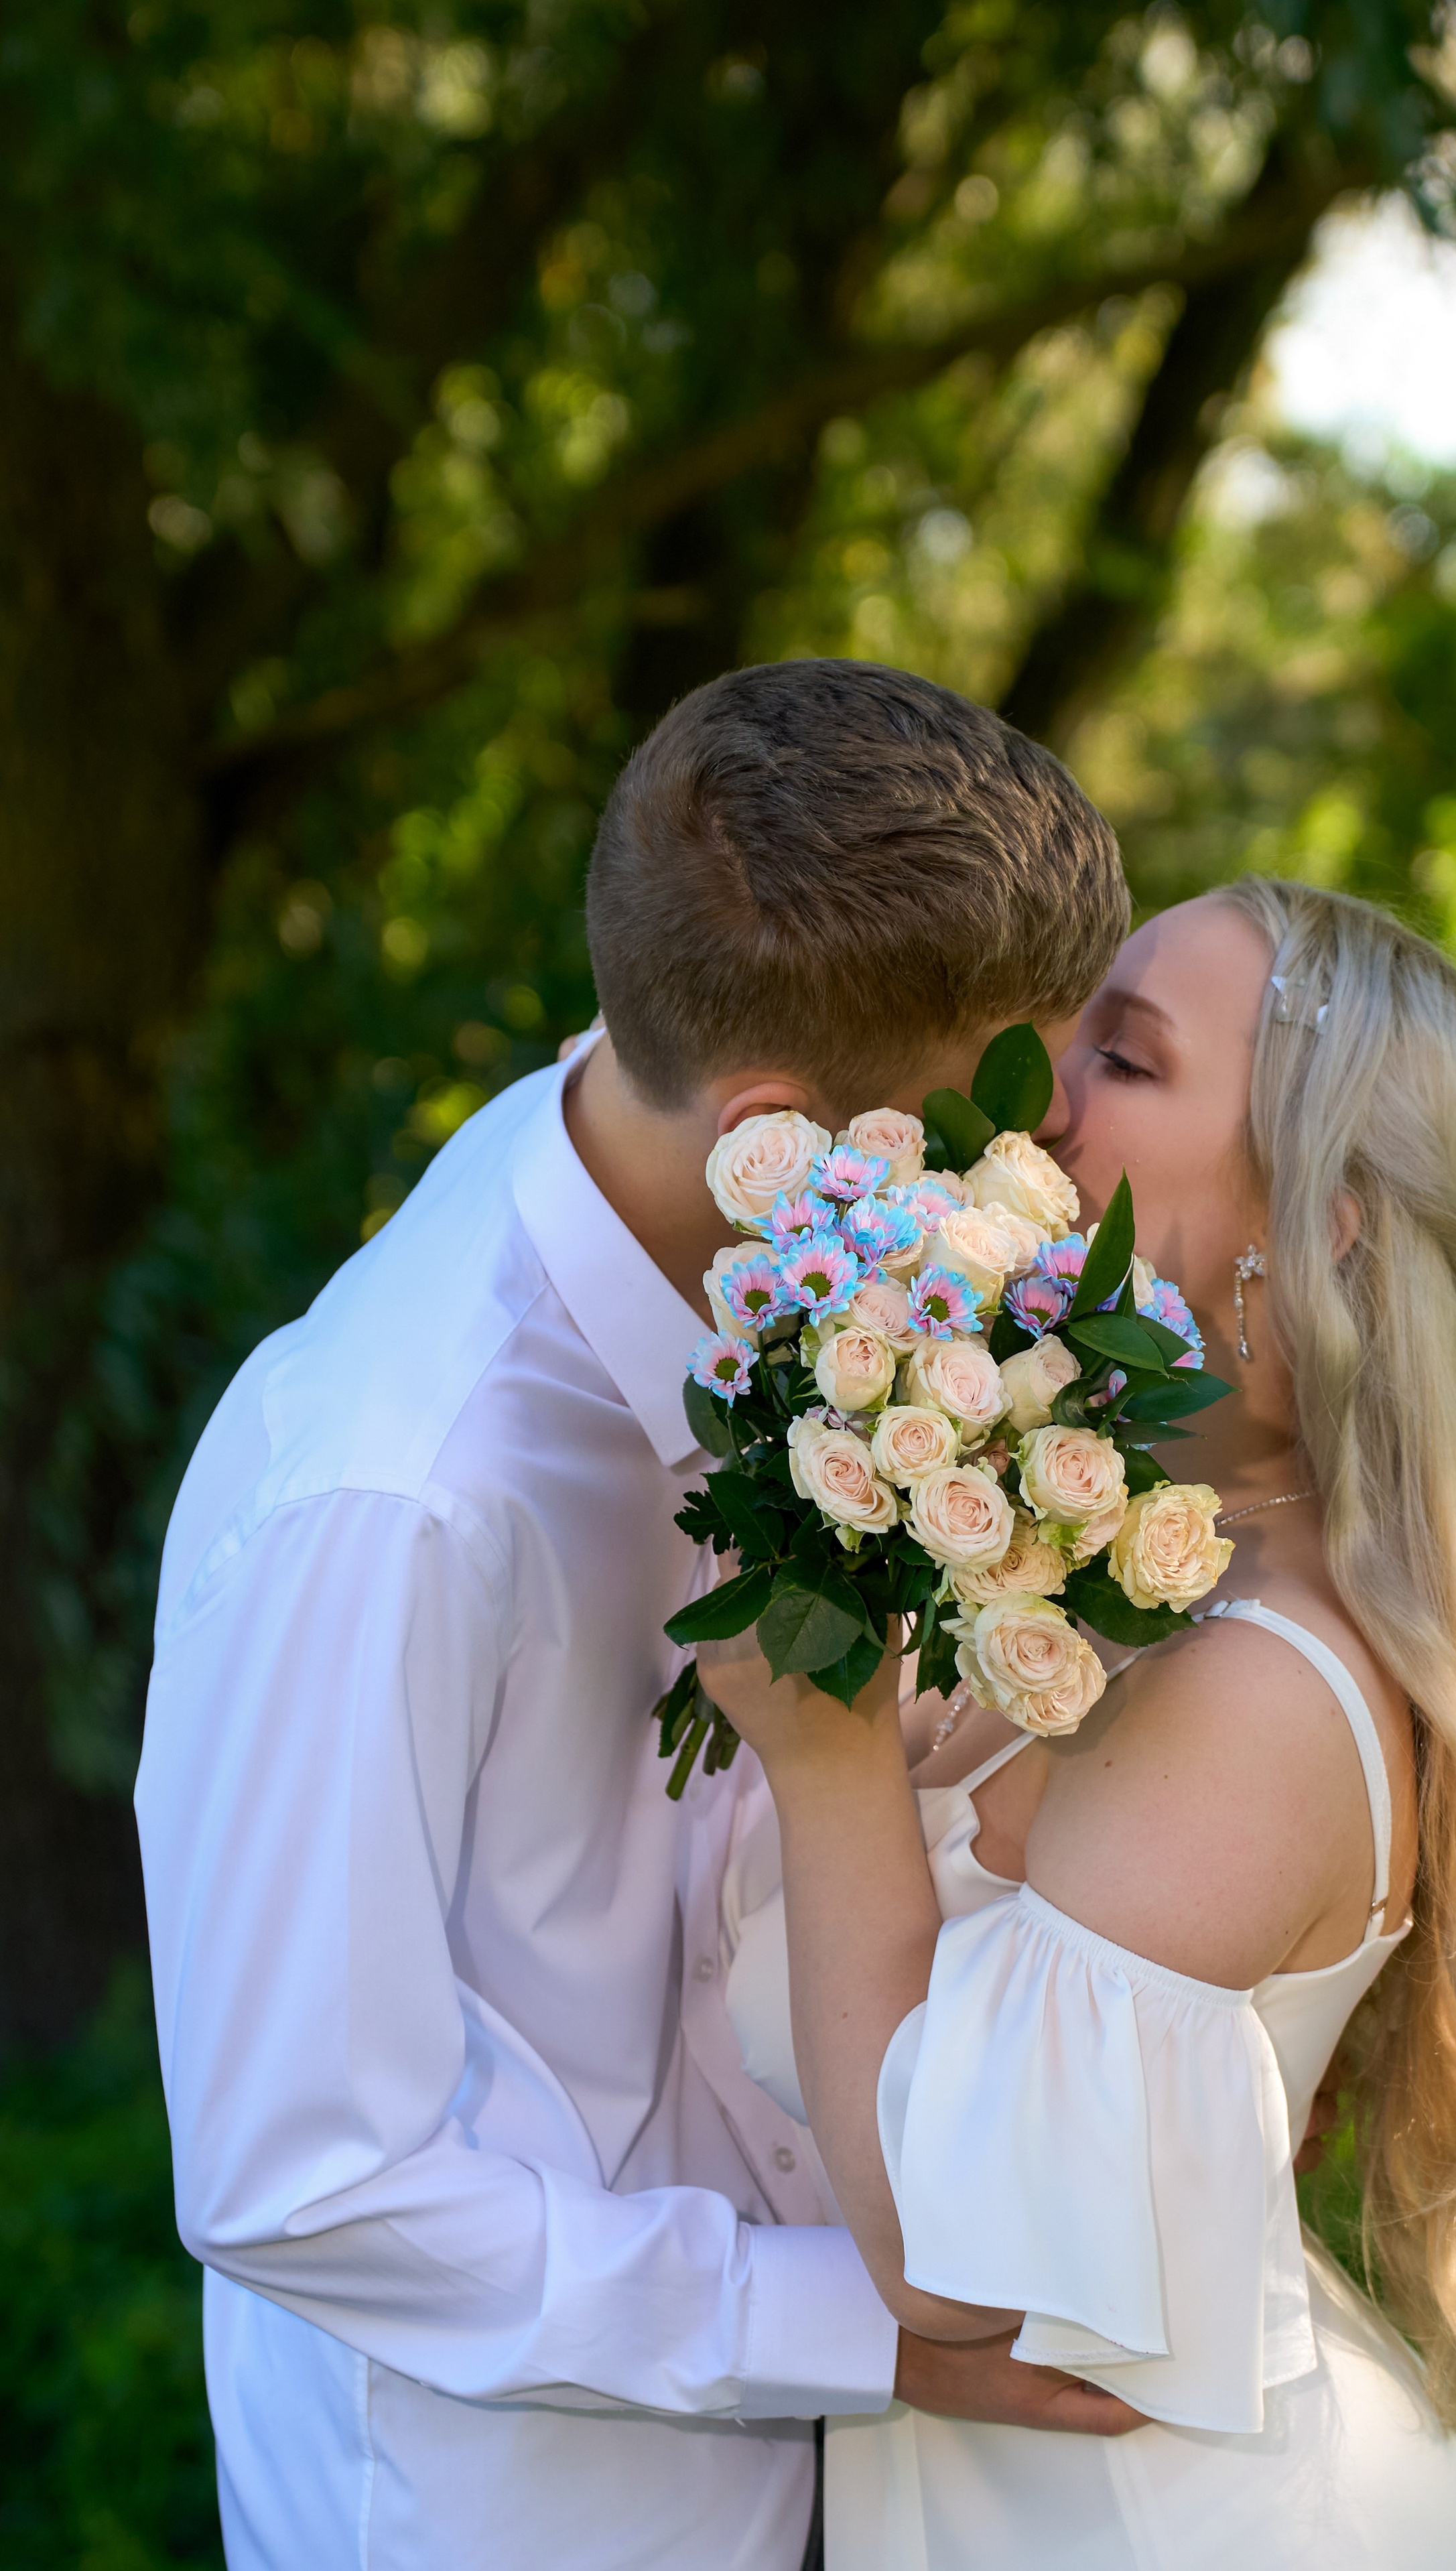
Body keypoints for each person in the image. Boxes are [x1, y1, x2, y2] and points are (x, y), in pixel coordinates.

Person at [133, 659, 1143, 2571]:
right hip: (516, 2516)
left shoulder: (777, 1273)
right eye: (997, 1115)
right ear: (774, 1129)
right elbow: (299, 2180)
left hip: (847, 2491)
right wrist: (863, 2326)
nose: (1042, 1169)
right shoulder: (392, 1496)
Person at [704, 878, 1456, 2570]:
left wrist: (826, 1755)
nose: (1041, 1092)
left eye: (1123, 1057)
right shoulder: (1127, 1560)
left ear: (1319, 1216)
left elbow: (954, 2267)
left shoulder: (1260, 1682)